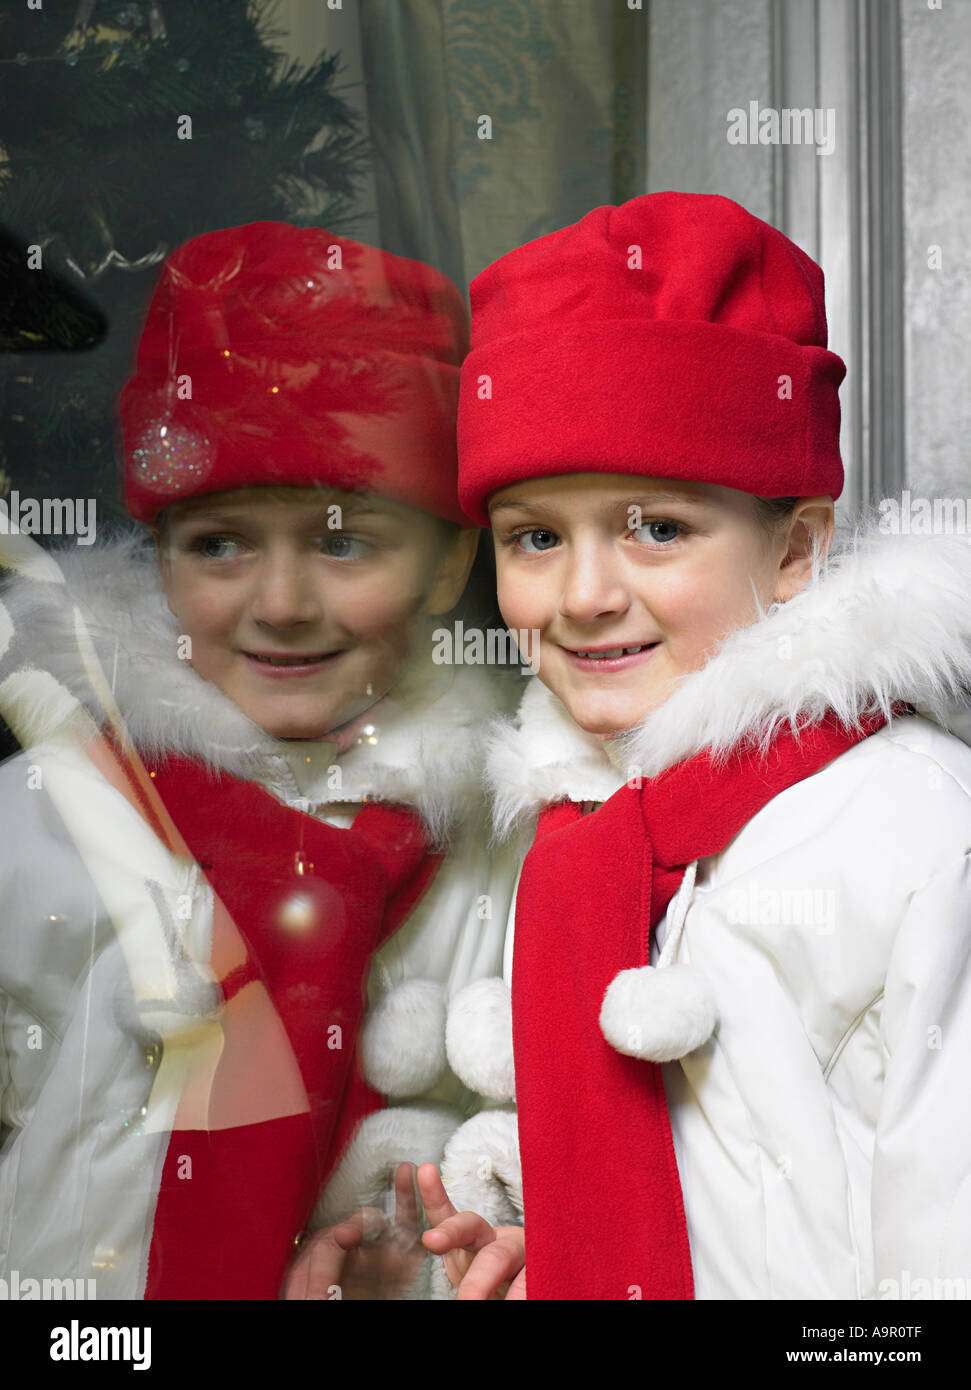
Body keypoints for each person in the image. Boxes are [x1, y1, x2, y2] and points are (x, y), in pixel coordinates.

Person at [417, 191, 971, 1300]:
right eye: (533, 537)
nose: (581, 594)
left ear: (794, 549)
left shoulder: (920, 836)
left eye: (656, 528)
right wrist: (556, 1251)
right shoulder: (578, 833)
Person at [0, 221, 519, 1300]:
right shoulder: (44, 818)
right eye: (220, 543)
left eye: (342, 541)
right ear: (156, 553)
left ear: (449, 559)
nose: (280, 607)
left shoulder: (501, 849)